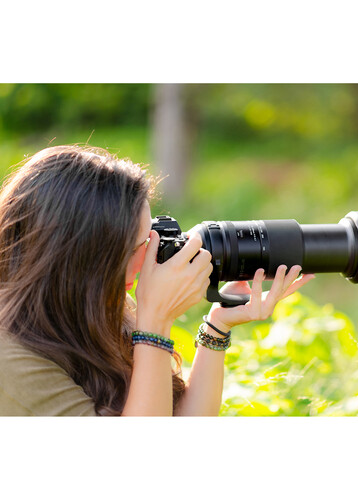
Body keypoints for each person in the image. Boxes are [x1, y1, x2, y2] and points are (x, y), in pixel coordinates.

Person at [0, 145, 315, 416]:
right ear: (74, 257)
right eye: (131, 250)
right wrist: (155, 323)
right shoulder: (10, 363)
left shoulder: (100, 305)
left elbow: (179, 421)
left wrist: (218, 325)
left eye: (148, 242)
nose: (144, 263)